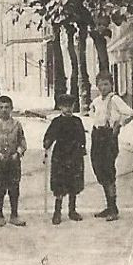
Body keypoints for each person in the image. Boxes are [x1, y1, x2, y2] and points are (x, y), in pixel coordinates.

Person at [89, 73, 133, 220]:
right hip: (97, 136)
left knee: (108, 171)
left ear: (111, 85)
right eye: (101, 84)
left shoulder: (115, 99)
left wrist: (119, 124)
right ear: (97, 86)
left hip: (108, 137)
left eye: (106, 84)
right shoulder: (96, 101)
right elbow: (92, 113)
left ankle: (113, 209)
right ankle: (109, 206)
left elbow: (130, 113)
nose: (103, 88)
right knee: (98, 169)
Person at [43, 92, 87, 225]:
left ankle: (72, 210)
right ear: (61, 107)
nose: (68, 109)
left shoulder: (77, 121)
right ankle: (57, 211)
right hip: (60, 156)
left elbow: (82, 137)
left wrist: (82, 148)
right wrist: (47, 143)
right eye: (65, 106)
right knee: (60, 184)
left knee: (73, 183)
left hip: (74, 155)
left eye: (71, 106)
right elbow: (49, 135)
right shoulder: (57, 122)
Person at [0, 94, 28, 227]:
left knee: (14, 187)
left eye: (7, 107)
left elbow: (22, 141)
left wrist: (18, 153)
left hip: (14, 161)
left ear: (11, 108)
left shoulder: (17, 124)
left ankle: (14, 215)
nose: (4, 110)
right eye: (1, 107)